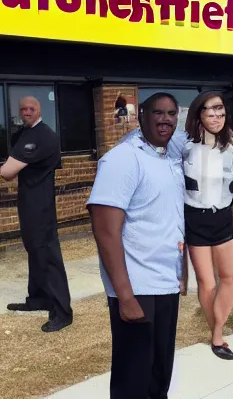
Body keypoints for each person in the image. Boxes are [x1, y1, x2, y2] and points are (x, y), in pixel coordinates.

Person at [87, 92, 187, 399]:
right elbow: (105, 231)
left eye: (171, 113)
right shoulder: (122, 159)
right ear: (141, 114)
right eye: (158, 112)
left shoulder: (168, 156)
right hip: (137, 287)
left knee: (159, 376)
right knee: (133, 379)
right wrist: (125, 296)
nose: (165, 119)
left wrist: (182, 273)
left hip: (165, 282)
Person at [0, 96, 73, 333]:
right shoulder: (27, 133)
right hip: (29, 202)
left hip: (40, 205)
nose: (27, 112)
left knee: (47, 253)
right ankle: (39, 298)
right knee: (34, 250)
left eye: (31, 108)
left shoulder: (42, 135)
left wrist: (11, 164)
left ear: (39, 110)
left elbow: (7, 171)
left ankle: (63, 312)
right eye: (23, 109)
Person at [183, 91, 233, 360]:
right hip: (195, 218)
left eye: (220, 110)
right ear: (199, 114)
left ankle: (216, 329)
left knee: (230, 279)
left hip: (222, 218)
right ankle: (217, 337)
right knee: (206, 283)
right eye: (210, 111)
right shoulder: (183, 146)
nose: (216, 116)